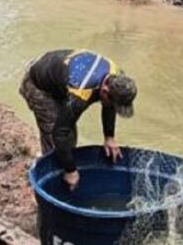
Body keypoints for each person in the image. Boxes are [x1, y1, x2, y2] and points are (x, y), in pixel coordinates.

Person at [19, 49, 137, 190]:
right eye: (113, 104)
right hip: (38, 83)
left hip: (59, 76)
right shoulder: (80, 93)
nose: (113, 107)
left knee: (69, 137)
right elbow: (59, 133)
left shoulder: (117, 78)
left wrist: (109, 137)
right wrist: (71, 170)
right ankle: (51, 179)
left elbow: (109, 106)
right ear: (105, 92)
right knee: (55, 134)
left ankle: (65, 169)